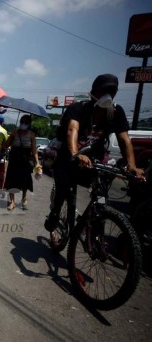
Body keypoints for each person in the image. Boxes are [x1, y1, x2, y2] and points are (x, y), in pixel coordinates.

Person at [44, 74, 145, 231]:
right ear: (94, 93)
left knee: (101, 193)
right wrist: (76, 154)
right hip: (69, 159)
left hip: (93, 162)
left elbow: (125, 139)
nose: (107, 96)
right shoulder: (79, 108)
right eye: (104, 92)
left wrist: (132, 166)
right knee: (63, 187)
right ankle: (55, 213)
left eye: (111, 92)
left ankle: (96, 228)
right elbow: (72, 130)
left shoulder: (116, 112)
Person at [3, 114, 40, 210]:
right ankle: (12, 202)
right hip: (14, 160)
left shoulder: (31, 135)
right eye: (22, 122)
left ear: (29, 124)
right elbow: (6, 145)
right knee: (11, 181)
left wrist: (37, 162)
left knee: (25, 181)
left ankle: (24, 197)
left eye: (25, 122)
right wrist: (11, 136)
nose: (23, 124)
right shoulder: (14, 132)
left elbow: (34, 150)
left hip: (25, 161)